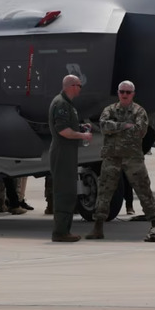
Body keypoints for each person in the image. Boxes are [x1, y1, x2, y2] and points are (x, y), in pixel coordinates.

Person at [85, 80, 155, 239]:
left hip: (133, 157)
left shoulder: (139, 111)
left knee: (144, 190)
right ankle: (98, 227)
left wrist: (117, 128)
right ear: (118, 93)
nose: (125, 95)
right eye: (122, 91)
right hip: (112, 157)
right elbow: (104, 126)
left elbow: (140, 130)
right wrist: (125, 126)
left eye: (128, 92)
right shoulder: (109, 110)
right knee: (104, 191)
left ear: (132, 94)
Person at [48, 74, 93, 242]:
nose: (80, 89)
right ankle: (60, 232)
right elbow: (63, 131)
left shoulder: (67, 104)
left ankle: (64, 230)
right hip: (62, 152)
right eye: (79, 86)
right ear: (72, 86)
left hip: (68, 152)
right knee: (64, 192)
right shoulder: (61, 103)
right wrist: (83, 135)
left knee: (69, 191)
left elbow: (68, 127)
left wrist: (80, 127)